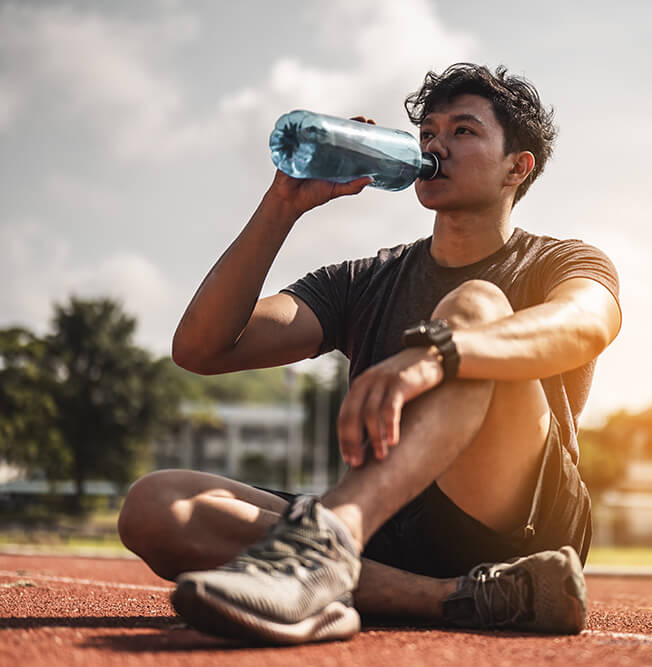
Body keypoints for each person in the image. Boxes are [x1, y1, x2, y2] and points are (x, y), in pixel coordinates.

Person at [117, 63, 621, 644]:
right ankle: (463, 598)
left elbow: (586, 324)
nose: (436, 146)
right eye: (428, 133)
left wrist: (439, 352)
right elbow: (202, 348)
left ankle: (328, 544)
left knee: (478, 305)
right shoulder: (364, 279)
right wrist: (283, 203)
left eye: (463, 132)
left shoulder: (559, 262)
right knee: (157, 505)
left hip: (515, 522)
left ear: (518, 166)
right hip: (392, 532)